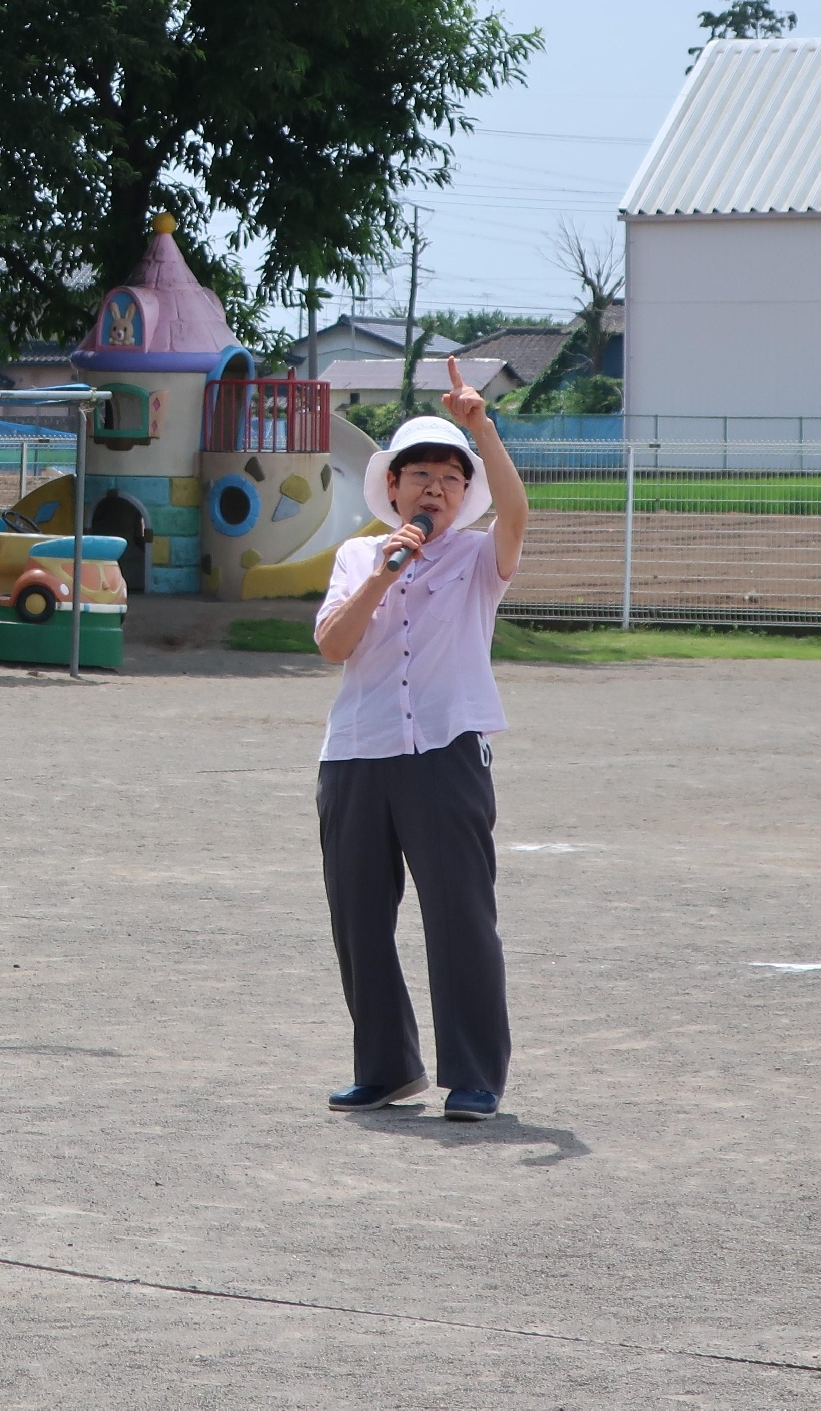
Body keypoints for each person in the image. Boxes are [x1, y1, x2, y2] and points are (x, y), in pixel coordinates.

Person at [312, 358, 529, 1123]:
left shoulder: (478, 560)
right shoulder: (354, 556)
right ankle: (385, 1066)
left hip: (446, 751)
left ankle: (474, 1074)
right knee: (358, 917)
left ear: (465, 493)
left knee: (459, 915)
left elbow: (517, 515)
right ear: (392, 487)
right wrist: (383, 570)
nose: (435, 487)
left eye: (450, 476)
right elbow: (334, 645)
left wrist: (481, 428)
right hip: (356, 756)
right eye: (420, 474)